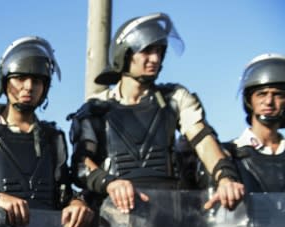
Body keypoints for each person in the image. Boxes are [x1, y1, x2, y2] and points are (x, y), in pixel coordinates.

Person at [69, 12, 245, 213]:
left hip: (166, 213)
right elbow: (81, 164)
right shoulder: (97, 107)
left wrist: (225, 178)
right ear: (124, 54)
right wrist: (109, 183)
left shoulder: (175, 98)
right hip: (114, 215)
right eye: (146, 50)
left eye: (160, 51)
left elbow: (203, 139)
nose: (155, 58)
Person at [0, 36, 92, 227]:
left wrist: (77, 203)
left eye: (36, 80)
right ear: (4, 80)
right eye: (20, 78)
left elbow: (62, 191)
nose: (28, 87)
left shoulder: (53, 138)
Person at [227, 53, 285, 192]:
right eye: (261, 94)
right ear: (249, 100)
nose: (269, 102)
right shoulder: (229, 154)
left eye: (277, 94)